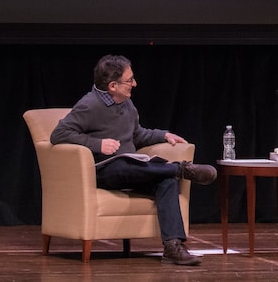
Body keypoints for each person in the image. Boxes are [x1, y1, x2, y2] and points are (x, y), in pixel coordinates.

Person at [50, 54, 217, 266]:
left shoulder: (127, 103)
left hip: (134, 169)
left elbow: (137, 135)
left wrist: (163, 135)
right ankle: (179, 168)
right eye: (129, 80)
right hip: (105, 171)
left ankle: (172, 247)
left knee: (166, 182)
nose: (134, 84)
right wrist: (97, 144)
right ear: (112, 85)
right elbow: (59, 134)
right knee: (123, 164)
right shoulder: (89, 105)